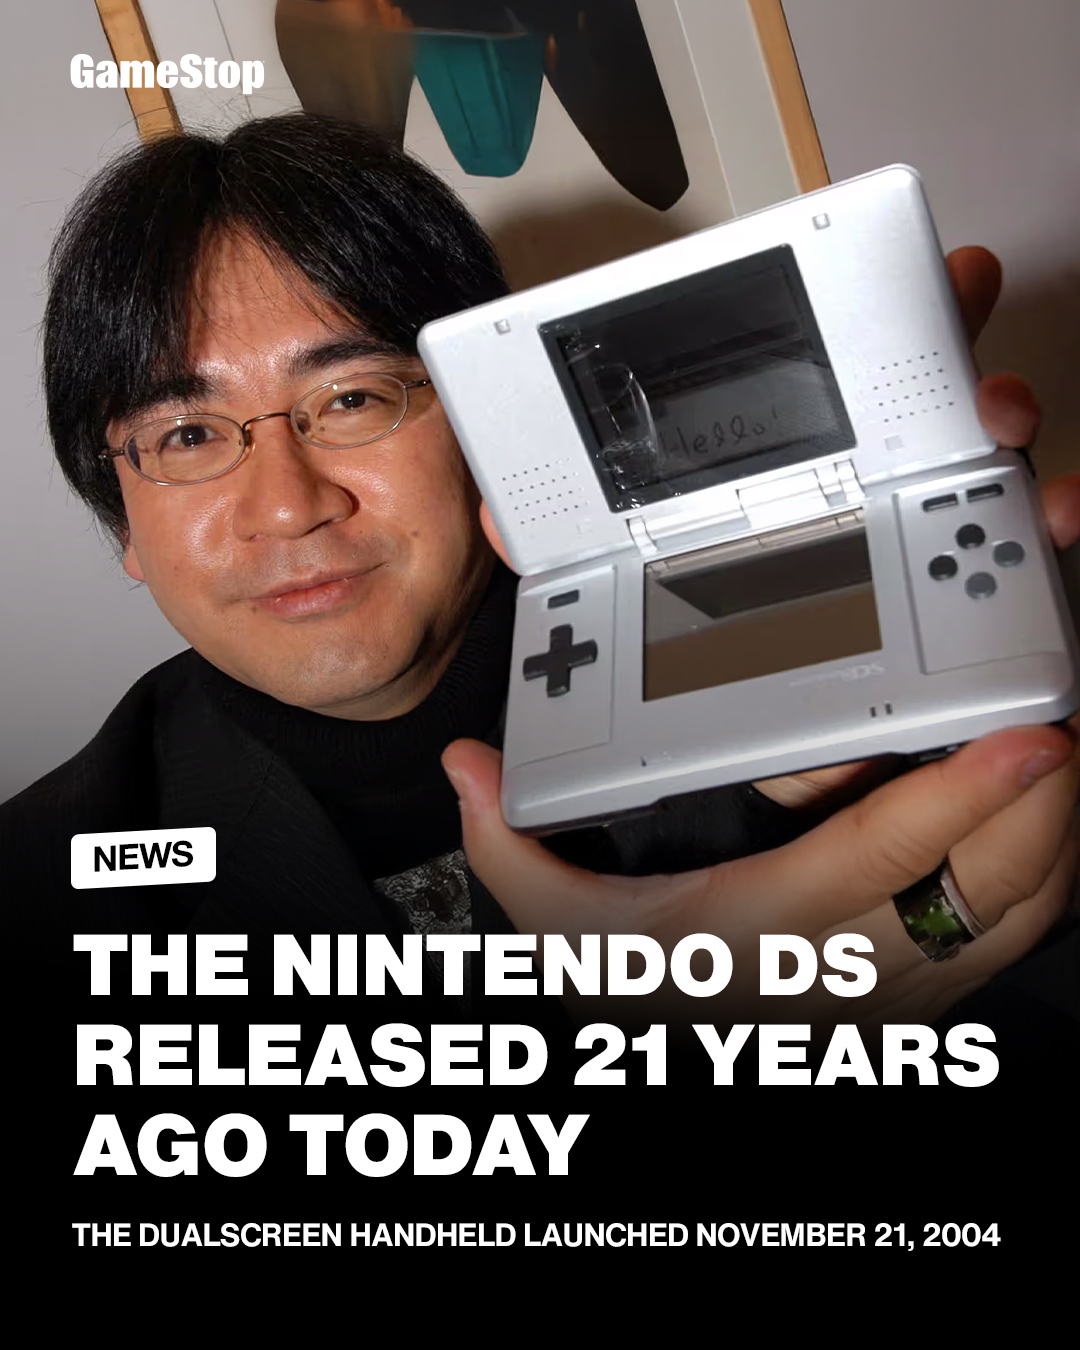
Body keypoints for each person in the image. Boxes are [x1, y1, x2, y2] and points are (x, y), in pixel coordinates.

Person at [4, 113, 1077, 1046]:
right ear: (124, 525)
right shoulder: (39, 888)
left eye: (354, 399)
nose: (289, 505)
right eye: (187, 434)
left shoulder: (805, 638)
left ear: (484, 431)